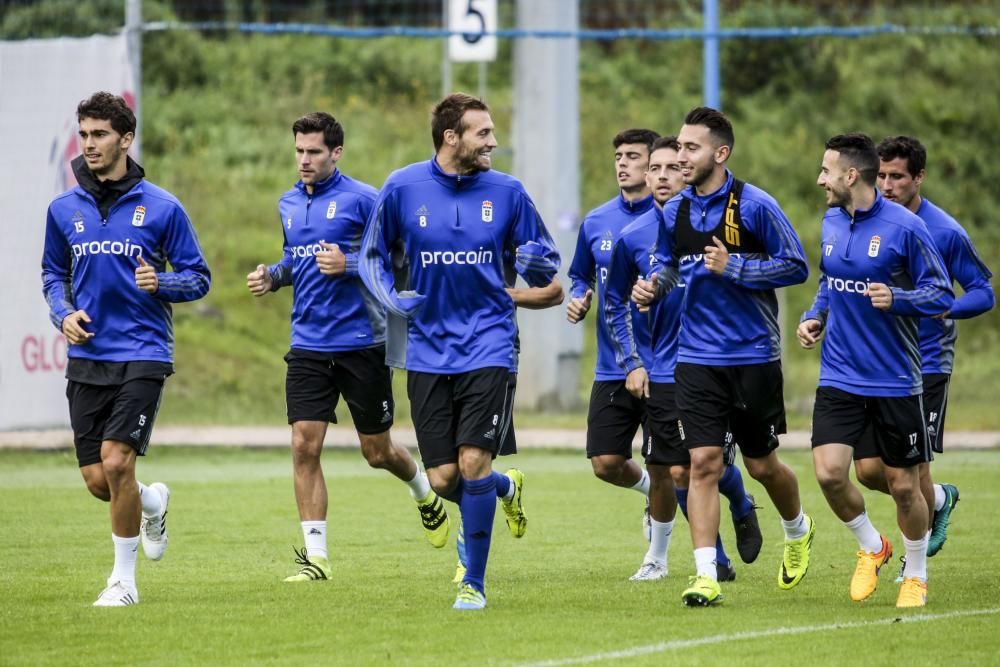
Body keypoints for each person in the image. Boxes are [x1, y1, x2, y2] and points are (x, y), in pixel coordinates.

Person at [360, 93, 560, 610]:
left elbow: (545, 265)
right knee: (446, 476)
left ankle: (473, 581)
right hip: (425, 349)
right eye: (483, 133)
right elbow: (371, 258)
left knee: (472, 461)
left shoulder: (508, 191)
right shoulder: (403, 188)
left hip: (490, 345)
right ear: (452, 137)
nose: (493, 141)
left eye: (493, 132)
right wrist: (390, 299)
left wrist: (536, 262)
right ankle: (503, 489)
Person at [246, 112, 450, 582]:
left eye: (314, 151)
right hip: (308, 344)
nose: (304, 160)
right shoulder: (287, 204)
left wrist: (352, 262)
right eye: (299, 151)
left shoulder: (364, 200)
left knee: (376, 452)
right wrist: (273, 276)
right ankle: (316, 558)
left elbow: (399, 260)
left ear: (336, 153)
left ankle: (423, 491)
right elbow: (296, 260)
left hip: (363, 344)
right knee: (303, 445)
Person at [632, 107, 812, 607]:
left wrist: (736, 268)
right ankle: (706, 575)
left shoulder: (756, 206)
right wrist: (653, 288)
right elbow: (670, 266)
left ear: (721, 152)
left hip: (752, 355)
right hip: (695, 358)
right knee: (702, 463)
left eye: (691, 148)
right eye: (679, 147)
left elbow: (796, 266)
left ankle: (797, 530)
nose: (680, 156)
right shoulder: (673, 211)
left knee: (761, 465)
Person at [41, 91, 211, 606]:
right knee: (100, 480)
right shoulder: (63, 208)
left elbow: (198, 278)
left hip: (144, 351)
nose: (89, 144)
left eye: (100, 134)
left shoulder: (163, 207)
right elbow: (53, 274)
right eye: (84, 133)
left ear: (126, 139)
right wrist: (62, 313)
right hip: (89, 356)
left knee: (117, 462)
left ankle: (123, 583)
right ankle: (153, 503)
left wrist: (162, 283)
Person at [798, 133, 953, 608]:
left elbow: (942, 294)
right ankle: (872, 545)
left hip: (895, 380)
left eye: (827, 171)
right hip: (840, 375)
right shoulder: (829, 221)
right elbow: (829, 281)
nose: (820, 179)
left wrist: (899, 299)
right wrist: (815, 316)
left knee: (905, 486)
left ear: (850, 175)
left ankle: (917, 574)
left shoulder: (905, 227)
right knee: (828, 474)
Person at [605, 136, 761, 583]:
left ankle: (740, 504)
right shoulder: (633, 238)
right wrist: (633, 357)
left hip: (713, 361)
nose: (663, 176)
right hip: (662, 366)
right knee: (674, 469)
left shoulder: (713, 225)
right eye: (655, 169)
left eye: (673, 167)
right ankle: (715, 558)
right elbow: (616, 300)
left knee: (701, 465)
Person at [850, 136, 994, 564]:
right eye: (883, 175)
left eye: (898, 177)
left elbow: (983, 292)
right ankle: (937, 501)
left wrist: (946, 307)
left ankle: (912, 570)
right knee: (868, 470)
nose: (888, 185)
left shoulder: (945, 231)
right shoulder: (864, 221)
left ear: (919, 178)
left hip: (926, 362)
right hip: (872, 362)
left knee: (911, 472)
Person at [566, 129, 661, 555]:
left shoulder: (672, 223)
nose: (622, 163)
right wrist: (577, 296)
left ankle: (714, 551)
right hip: (613, 364)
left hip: (664, 362)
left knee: (676, 470)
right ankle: (649, 496)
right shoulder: (597, 220)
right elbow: (579, 273)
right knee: (604, 463)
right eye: (618, 156)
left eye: (633, 156)